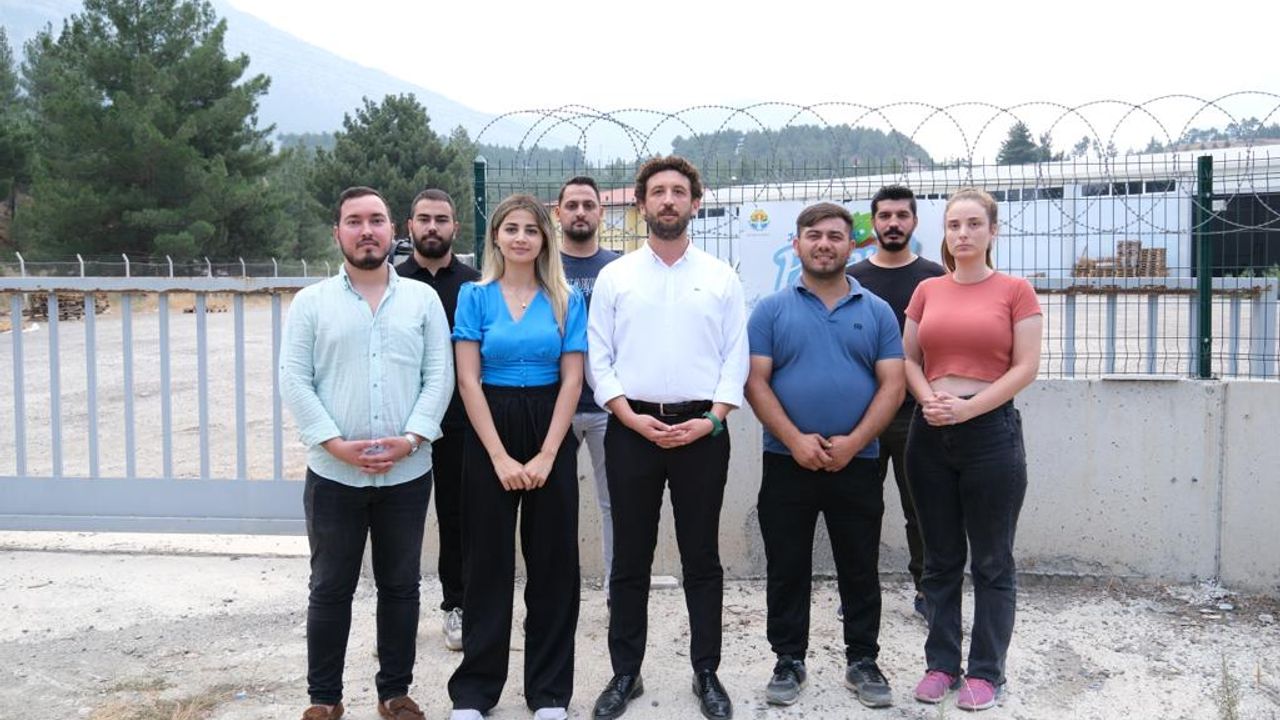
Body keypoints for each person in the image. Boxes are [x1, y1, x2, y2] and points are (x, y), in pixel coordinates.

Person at [281, 186, 453, 720]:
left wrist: (412, 439)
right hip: (334, 474)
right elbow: (295, 379)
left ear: (392, 231)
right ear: (338, 232)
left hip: (407, 473)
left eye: (376, 220)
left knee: (400, 587)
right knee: (330, 587)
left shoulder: (422, 301)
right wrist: (335, 444)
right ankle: (324, 699)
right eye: (354, 221)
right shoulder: (311, 303)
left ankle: (394, 693)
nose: (366, 231)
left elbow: (439, 376)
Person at [587, 156, 748, 720]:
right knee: (630, 557)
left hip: (703, 431)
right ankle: (625, 673)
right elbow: (599, 358)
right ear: (641, 204)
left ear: (695, 203)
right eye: (658, 192)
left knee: (701, 556)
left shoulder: (721, 277)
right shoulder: (616, 277)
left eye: (679, 192)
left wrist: (714, 419)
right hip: (632, 431)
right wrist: (629, 417)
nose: (669, 200)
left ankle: (707, 672)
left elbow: (736, 358)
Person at [745, 202, 906, 709]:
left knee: (859, 565)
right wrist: (795, 439)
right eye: (813, 235)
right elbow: (755, 382)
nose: (824, 244)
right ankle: (788, 660)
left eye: (835, 236)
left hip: (857, 460)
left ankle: (863, 660)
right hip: (785, 459)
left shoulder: (876, 311)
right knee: (786, 566)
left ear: (850, 245)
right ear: (796, 245)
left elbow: (894, 384)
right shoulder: (770, 310)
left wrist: (856, 441)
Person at [446, 194, 587, 720]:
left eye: (532, 229)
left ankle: (548, 693)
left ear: (545, 238)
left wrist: (549, 454)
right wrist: (500, 457)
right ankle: (475, 693)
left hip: (550, 422)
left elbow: (573, 380)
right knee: (486, 564)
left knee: (554, 565)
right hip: (491, 425)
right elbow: (467, 379)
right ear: (496, 237)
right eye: (512, 228)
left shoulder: (567, 299)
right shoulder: (474, 297)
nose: (522, 237)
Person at [903, 188, 1043, 712]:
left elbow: (1025, 367)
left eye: (973, 224)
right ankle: (941, 665)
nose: (962, 233)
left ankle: (986, 672)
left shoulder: (1016, 291)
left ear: (993, 231)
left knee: (991, 560)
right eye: (954, 225)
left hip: (990, 434)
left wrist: (969, 409)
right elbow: (910, 360)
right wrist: (929, 401)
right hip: (929, 433)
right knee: (939, 559)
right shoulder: (927, 291)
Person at [848, 185, 946, 619]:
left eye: (901, 216)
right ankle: (858, 594)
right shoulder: (853, 278)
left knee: (923, 511)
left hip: (916, 414)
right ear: (873, 222)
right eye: (885, 216)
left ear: (914, 222)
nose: (893, 223)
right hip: (862, 416)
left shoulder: (935, 278)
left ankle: (928, 593)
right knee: (859, 511)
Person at [395, 188, 481, 651]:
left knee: (457, 518)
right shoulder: (391, 282)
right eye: (424, 219)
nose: (432, 227)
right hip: (402, 423)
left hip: (460, 422)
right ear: (409, 226)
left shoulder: (475, 284)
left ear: (455, 227)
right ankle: (396, 611)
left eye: (441, 219)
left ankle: (457, 606)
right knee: (397, 522)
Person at [555, 175, 621, 599]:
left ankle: (618, 593)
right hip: (555, 406)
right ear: (558, 213)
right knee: (556, 507)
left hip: (608, 408)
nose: (580, 212)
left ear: (600, 212)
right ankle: (559, 596)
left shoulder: (619, 268)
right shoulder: (543, 265)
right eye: (572, 205)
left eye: (588, 205)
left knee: (615, 506)